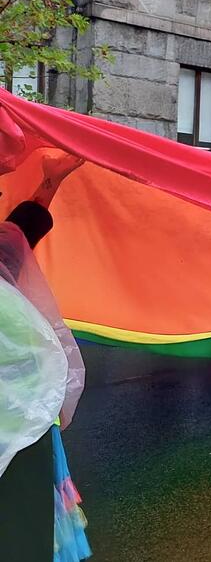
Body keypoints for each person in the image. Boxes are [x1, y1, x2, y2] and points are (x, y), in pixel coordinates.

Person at [0, 153, 90, 560]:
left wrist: (50, 184)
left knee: (24, 533)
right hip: (22, 428)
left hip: (24, 428)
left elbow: (20, 231)